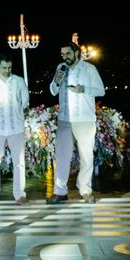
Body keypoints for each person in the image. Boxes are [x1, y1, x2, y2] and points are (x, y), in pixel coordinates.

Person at [47, 42, 105, 204]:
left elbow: (101, 90)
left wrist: (84, 89)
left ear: (77, 53)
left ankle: (85, 190)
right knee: (62, 156)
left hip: (85, 119)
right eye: (62, 54)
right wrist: (57, 80)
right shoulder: (61, 67)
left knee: (86, 156)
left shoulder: (89, 69)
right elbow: (53, 90)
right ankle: (60, 191)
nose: (65, 57)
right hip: (65, 119)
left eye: (68, 54)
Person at [0, 53, 30, 205]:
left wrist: (15, 114)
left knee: (19, 162)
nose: (7, 70)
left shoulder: (19, 81)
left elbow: (25, 102)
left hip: (16, 128)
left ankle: (19, 194)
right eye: (4, 67)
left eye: (9, 67)